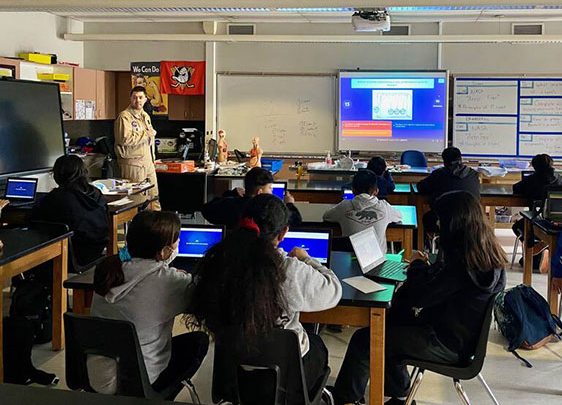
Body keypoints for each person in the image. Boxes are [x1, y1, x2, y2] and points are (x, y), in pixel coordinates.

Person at [332, 191, 507, 405]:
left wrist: (417, 266)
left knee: (367, 339)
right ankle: (398, 395)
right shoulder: (484, 253)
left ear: (454, 222)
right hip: (459, 338)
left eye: (442, 219)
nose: (439, 224)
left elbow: (420, 297)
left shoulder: (464, 265)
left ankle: (345, 399)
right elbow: (439, 290)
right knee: (392, 323)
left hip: (444, 344)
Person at [187, 194, 342, 405]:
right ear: (283, 233)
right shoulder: (288, 269)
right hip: (287, 379)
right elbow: (333, 290)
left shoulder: (218, 261)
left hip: (234, 375)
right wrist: (307, 259)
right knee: (317, 344)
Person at [89, 211, 208, 396]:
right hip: (138, 380)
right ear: (163, 251)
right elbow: (202, 298)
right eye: (176, 240)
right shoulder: (171, 282)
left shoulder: (108, 270)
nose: (178, 245)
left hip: (97, 375)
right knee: (199, 342)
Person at [31, 155, 109, 270]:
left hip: (71, 256)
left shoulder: (57, 198)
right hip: (97, 249)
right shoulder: (96, 193)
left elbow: (32, 219)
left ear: (58, 175)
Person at [322, 169, 402, 254]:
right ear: (376, 191)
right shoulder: (385, 207)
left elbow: (326, 216)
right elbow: (399, 216)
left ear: (352, 190)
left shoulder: (344, 206)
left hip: (350, 261)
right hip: (378, 263)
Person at [201, 166, 301, 228]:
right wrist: (289, 204)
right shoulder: (267, 211)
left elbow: (206, 209)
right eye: (270, 188)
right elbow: (295, 221)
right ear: (260, 192)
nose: (272, 191)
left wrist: (232, 194)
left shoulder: (231, 205)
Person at [416, 146, 480, 237]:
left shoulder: (439, 174)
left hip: (444, 220)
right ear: (461, 159)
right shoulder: (473, 175)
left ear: (444, 161)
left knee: (427, 217)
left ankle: (429, 245)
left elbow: (421, 187)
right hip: (471, 219)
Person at [114, 86, 160, 211]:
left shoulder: (145, 116)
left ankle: (157, 228)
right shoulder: (125, 117)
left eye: (140, 97)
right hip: (133, 164)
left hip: (148, 162)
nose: (137, 100)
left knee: (153, 198)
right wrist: (146, 134)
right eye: (134, 97)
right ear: (130, 99)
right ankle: (138, 228)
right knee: (137, 201)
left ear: (145, 99)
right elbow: (124, 139)